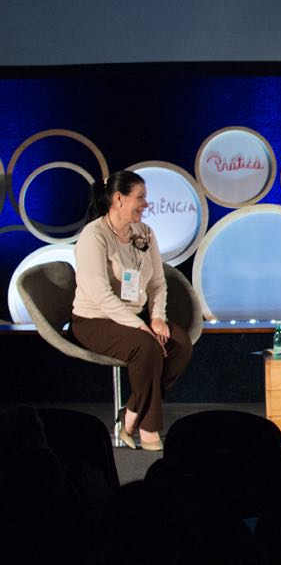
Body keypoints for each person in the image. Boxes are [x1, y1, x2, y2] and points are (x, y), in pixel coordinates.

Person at [71, 171, 192, 450]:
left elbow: (158, 284)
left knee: (180, 343)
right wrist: (141, 327)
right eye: (140, 198)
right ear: (118, 199)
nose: (146, 204)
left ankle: (131, 414)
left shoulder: (144, 233)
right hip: (94, 319)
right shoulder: (94, 236)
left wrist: (157, 318)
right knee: (146, 345)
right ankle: (149, 427)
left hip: (134, 317)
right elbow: (100, 295)